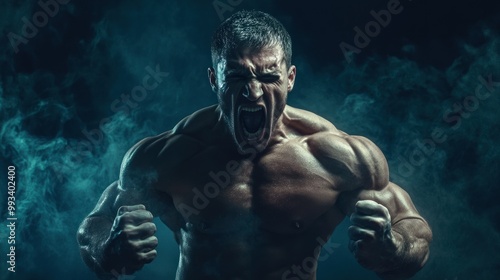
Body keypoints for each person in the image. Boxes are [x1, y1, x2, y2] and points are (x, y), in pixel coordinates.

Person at [77, 10, 432, 280]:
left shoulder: (338, 157)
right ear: (214, 80)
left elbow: (415, 234)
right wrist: (110, 248)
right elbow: (92, 230)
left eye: (268, 76)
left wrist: (392, 247)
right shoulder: (170, 156)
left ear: (290, 78)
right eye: (236, 76)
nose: (253, 91)